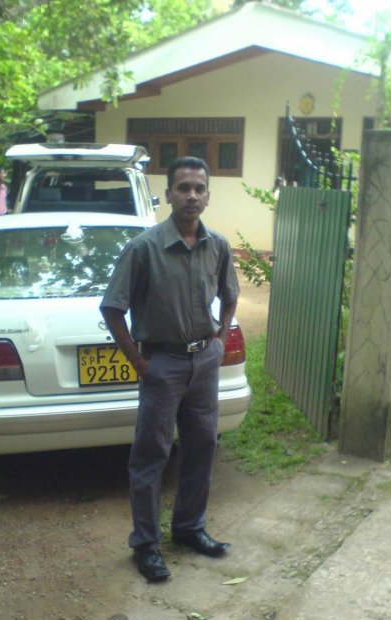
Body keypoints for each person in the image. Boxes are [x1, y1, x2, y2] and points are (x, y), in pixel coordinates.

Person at [101, 156, 240, 582]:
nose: (192, 195)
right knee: (151, 455)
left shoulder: (216, 245)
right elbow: (112, 309)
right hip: (162, 364)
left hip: (204, 363)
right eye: (183, 187)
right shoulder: (143, 249)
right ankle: (146, 545)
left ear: (208, 196)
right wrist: (142, 364)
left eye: (199, 188)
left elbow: (229, 295)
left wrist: (219, 341)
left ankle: (189, 529)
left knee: (201, 447)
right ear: (168, 195)